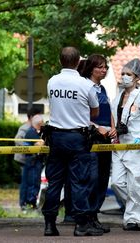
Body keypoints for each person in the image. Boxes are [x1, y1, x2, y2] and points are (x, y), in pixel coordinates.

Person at [42, 46, 101, 237]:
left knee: (55, 182)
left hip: (56, 137)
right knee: (79, 181)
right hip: (78, 138)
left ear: (61, 61)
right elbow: (95, 111)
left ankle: (50, 224)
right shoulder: (85, 85)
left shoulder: (52, 82)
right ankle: (81, 224)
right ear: (78, 62)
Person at [110, 58, 140, 231]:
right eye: (122, 74)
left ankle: (133, 219)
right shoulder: (118, 96)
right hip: (120, 145)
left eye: (128, 74)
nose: (124, 77)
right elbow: (114, 116)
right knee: (117, 182)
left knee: (136, 183)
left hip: (137, 146)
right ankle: (136, 207)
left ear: (137, 77)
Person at [81, 54, 117, 233]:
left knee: (103, 179)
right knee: (92, 179)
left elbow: (108, 109)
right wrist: (97, 128)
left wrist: (112, 127)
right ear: (91, 68)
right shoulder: (85, 87)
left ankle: (94, 216)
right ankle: (86, 218)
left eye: (105, 67)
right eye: (100, 67)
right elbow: (81, 115)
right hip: (92, 137)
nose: (104, 70)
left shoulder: (102, 89)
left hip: (106, 138)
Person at [15, 107, 41, 211]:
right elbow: (17, 140)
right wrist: (30, 146)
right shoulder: (25, 128)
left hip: (30, 159)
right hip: (24, 159)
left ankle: (26, 203)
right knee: (26, 182)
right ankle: (23, 204)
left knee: (29, 181)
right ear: (31, 117)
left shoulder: (33, 128)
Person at [21, 114, 44, 211]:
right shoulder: (32, 133)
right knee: (33, 183)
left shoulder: (31, 132)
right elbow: (40, 144)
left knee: (31, 183)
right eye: (42, 123)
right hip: (33, 162)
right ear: (39, 124)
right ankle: (30, 204)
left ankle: (29, 204)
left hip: (32, 162)